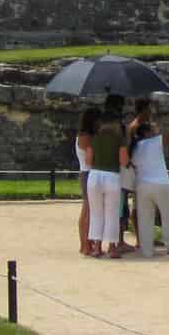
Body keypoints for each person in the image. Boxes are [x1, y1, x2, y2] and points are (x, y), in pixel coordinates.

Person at [123, 98, 169, 258]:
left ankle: (146, 248)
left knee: (144, 217)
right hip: (160, 183)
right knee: (167, 215)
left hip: (142, 184)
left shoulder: (136, 144)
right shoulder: (148, 137)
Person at [84, 96, 126, 258]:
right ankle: (113, 247)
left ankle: (96, 247)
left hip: (94, 175)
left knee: (96, 212)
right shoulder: (119, 139)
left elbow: (88, 160)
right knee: (112, 213)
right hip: (112, 175)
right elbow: (123, 160)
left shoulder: (94, 138)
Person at [74, 109, 94, 256]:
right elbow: (90, 159)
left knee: (88, 210)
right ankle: (85, 244)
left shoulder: (83, 136)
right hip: (88, 172)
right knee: (87, 210)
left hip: (86, 172)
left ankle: (86, 242)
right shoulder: (85, 137)